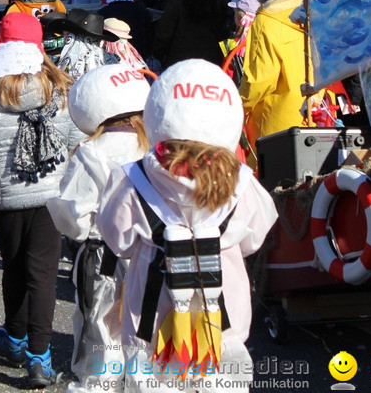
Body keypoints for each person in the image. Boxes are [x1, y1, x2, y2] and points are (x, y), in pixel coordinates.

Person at [97, 60, 277, 391]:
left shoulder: (130, 179)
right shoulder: (243, 182)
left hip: (150, 324)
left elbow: (118, 242)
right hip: (224, 324)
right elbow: (255, 237)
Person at [0, 13, 83, 388]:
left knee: (13, 268)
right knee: (42, 276)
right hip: (51, 197)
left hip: (8, 197)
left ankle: (14, 339)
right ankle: (39, 358)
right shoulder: (59, 87)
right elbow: (78, 137)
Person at [46, 64, 150, 393]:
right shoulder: (158, 148)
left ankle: (98, 386)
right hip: (151, 256)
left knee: (101, 332)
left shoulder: (91, 152)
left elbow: (72, 216)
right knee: (145, 333)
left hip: (102, 254)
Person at [239, 0, 312, 148]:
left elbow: (257, 83)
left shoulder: (266, 22)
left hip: (277, 129)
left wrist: (234, 104)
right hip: (318, 115)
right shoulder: (315, 11)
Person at [152, 0, 226, 69]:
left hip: (181, 61)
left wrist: (158, 54)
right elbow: (223, 29)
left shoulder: (176, 0)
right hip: (211, 60)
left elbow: (164, 33)